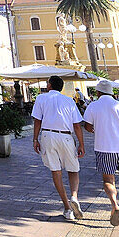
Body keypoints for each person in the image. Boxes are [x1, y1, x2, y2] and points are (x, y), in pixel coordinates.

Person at [84, 78, 119, 226]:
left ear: (98, 92)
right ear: (111, 92)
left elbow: (87, 126)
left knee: (108, 181)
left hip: (104, 149)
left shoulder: (93, 106)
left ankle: (115, 205)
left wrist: (96, 129)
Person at [32, 75, 87, 221]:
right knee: (73, 169)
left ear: (49, 85)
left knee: (56, 171)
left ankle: (67, 208)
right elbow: (77, 125)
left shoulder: (41, 98)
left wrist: (35, 139)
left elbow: (37, 121)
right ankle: (74, 196)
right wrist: (81, 143)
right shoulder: (69, 100)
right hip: (66, 136)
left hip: (48, 136)